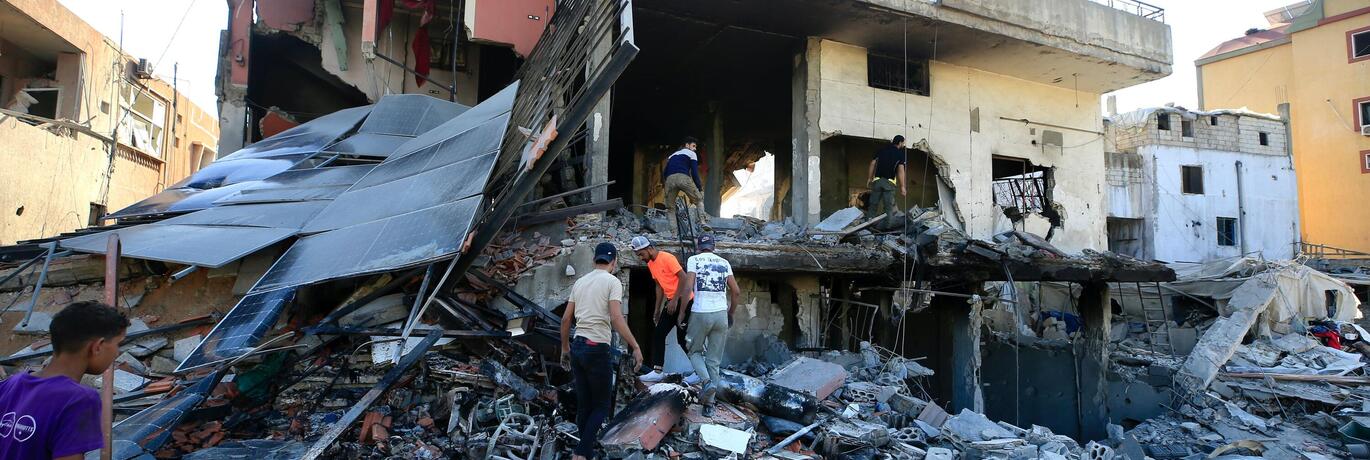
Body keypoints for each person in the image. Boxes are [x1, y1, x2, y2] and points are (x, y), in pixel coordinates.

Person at [0, 301, 129, 460]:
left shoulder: (11, 384)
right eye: (118, 344)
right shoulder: (79, 399)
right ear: (98, 346)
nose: (117, 353)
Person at [559, 242, 643, 460]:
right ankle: (581, 452)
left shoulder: (580, 282)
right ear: (614, 262)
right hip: (597, 348)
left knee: (584, 404)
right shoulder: (612, 282)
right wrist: (635, 345)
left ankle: (582, 448)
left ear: (594, 260)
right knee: (602, 406)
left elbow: (566, 318)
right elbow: (616, 318)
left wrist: (565, 348)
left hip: (578, 346)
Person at [678, 234, 739, 415]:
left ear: (699, 247)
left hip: (700, 313)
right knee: (714, 360)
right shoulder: (724, 263)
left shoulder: (694, 260)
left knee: (694, 351)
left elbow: (688, 288)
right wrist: (731, 313)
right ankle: (709, 406)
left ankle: (706, 382)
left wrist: (682, 312)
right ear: (714, 246)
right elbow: (736, 291)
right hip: (720, 314)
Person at [630, 236, 692, 383]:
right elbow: (659, 286)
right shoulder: (651, 264)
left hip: (685, 301)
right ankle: (658, 371)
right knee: (658, 334)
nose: (640, 258)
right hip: (671, 301)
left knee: (682, 339)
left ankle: (699, 371)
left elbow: (683, 278)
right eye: (638, 255)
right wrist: (657, 309)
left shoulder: (667, 258)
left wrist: (675, 300)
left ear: (649, 248)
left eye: (641, 254)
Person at [663, 136, 709, 233]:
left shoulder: (672, 156)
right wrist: (699, 188)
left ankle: (674, 234)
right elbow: (694, 173)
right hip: (683, 178)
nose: (695, 148)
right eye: (693, 146)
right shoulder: (691, 153)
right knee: (699, 199)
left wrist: (667, 185)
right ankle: (703, 222)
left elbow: (665, 172)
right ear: (687, 145)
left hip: (669, 180)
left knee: (670, 208)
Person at [866, 135, 908, 219]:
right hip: (889, 183)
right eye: (903, 142)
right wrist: (903, 186)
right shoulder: (900, 154)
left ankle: (868, 225)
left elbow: (872, 163)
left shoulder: (881, 150)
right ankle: (888, 227)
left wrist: (869, 178)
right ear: (900, 143)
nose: (904, 144)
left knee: (873, 205)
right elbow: (901, 171)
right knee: (888, 207)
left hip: (877, 181)